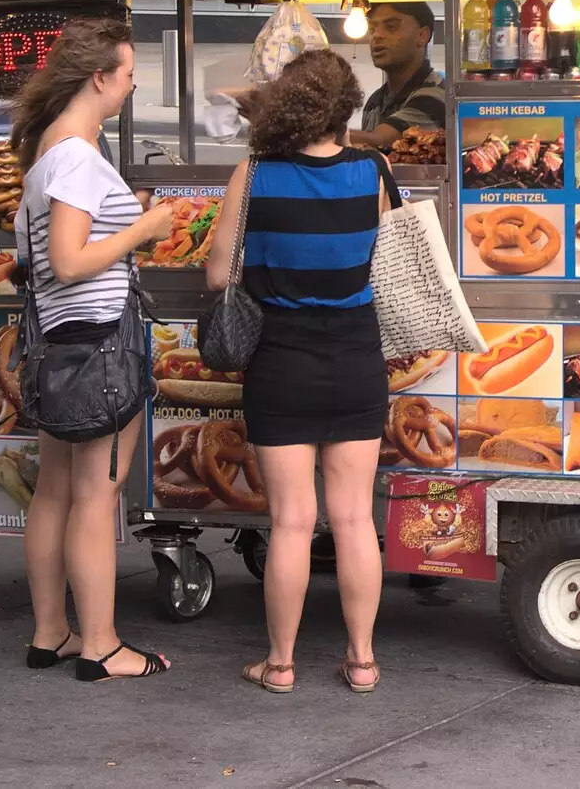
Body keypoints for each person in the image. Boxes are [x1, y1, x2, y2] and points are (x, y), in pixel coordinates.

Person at [206, 49, 393, 695]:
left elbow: (216, 272)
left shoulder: (253, 175)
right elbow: (383, 260)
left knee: (290, 521)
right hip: (355, 361)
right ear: (346, 109)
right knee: (352, 520)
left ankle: (280, 663)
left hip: (279, 364)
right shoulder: (373, 170)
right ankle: (362, 660)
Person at [10, 17, 176, 683]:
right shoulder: (77, 154)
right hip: (99, 340)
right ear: (100, 78)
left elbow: (47, 255)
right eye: (130, 74)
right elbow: (71, 259)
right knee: (94, 495)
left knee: (53, 490)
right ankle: (102, 644)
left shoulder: (51, 149)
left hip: (56, 341)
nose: (133, 86)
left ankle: (51, 631)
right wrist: (143, 227)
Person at [346, 0, 446, 149]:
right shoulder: (375, 101)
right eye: (372, 28)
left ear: (422, 36)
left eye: (391, 27)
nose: (377, 36)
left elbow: (380, 139)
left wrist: (315, 136)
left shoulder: (436, 93)